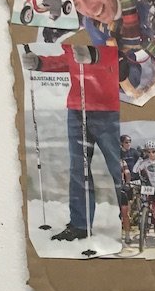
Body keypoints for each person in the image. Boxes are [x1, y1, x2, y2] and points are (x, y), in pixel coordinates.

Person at [21, 45, 122, 243]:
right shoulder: (70, 33)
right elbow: (70, 59)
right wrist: (41, 63)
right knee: (79, 169)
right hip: (77, 109)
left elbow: (122, 54)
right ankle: (80, 224)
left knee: (118, 167)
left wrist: (96, 54)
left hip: (109, 108)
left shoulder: (104, 29)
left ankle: (130, 218)